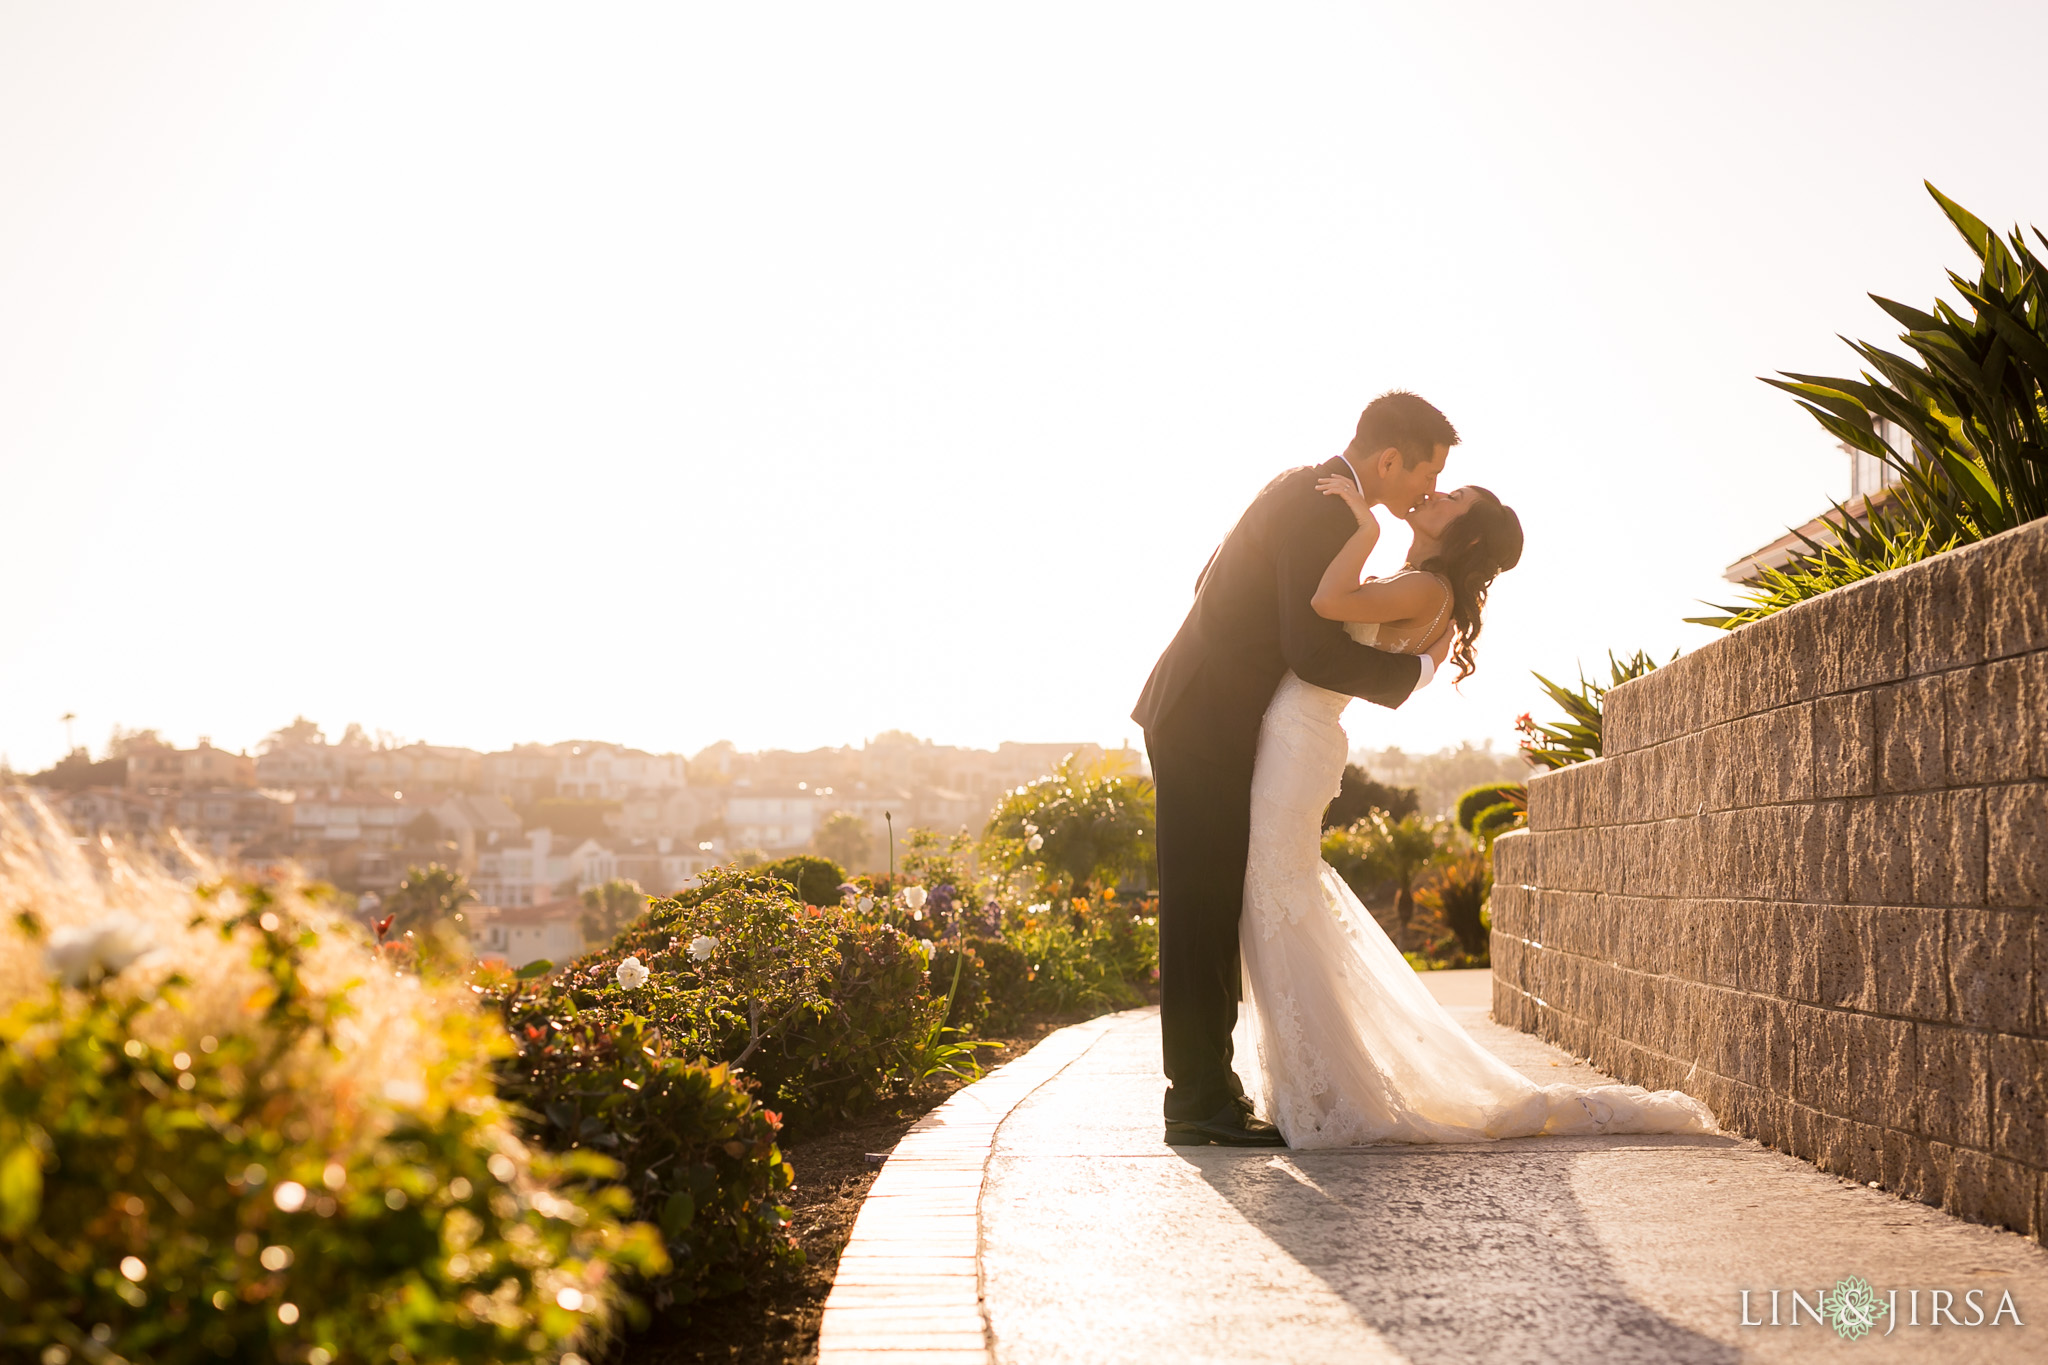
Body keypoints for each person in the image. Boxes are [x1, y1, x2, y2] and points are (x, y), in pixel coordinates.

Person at [1230, 456, 1718, 1146]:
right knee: (1278, 895)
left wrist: (1364, 523)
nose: (1435, 491)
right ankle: (1311, 1083)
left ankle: (1319, 1089)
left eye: (1453, 495)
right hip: (1297, 737)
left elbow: (1326, 603)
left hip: (1297, 742)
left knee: (1274, 893)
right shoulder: (1420, 581)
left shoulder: (1429, 589)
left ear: (1465, 535)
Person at [1132, 391, 1459, 1146]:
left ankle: (1208, 1095)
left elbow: (1208, 579)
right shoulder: (1325, 510)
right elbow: (1310, 648)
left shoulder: (1301, 487)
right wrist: (1413, 675)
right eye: (1426, 474)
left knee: (1207, 911)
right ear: (1389, 460)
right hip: (1202, 721)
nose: (1427, 492)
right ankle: (1198, 1104)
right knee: (1198, 913)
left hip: (1201, 713)